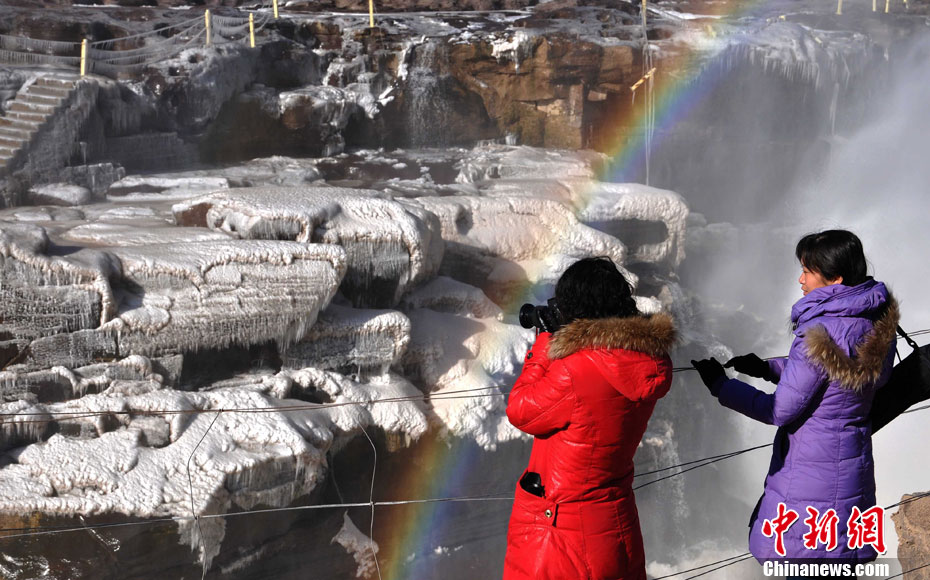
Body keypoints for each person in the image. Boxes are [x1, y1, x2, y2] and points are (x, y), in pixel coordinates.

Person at [692, 230, 899, 578]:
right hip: (852, 473)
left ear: (834, 278)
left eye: (808, 270)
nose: (799, 279)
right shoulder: (873, 323)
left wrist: (720, 386)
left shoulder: (819, 332)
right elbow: (830, 375)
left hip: (809, 483)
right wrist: (766, 367)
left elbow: (780, 410)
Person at [503, 257, 675, 580]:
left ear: (579, 312)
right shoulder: (645, 359)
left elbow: (520, 409)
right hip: (614, 525)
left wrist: (543, 347)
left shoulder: (576, 371)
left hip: (563, 537)